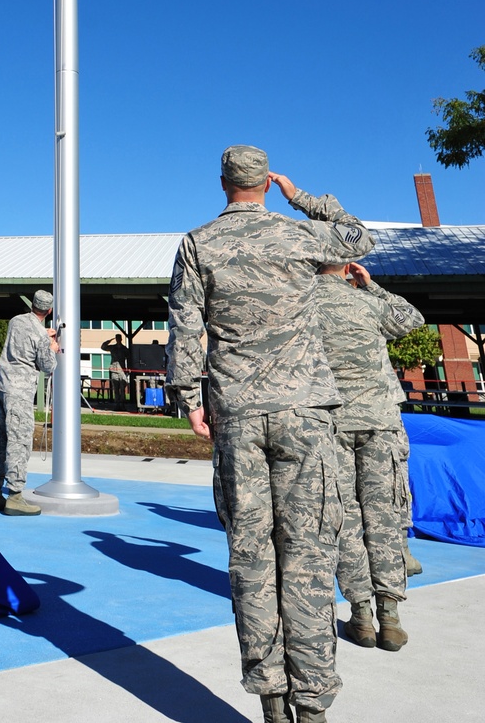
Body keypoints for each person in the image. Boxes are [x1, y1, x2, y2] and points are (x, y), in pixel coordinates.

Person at [167, 147, 375, 723]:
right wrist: (302, 196)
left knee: (251, 557)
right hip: (305, 410)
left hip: (236, 412)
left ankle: (272, 700)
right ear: (265, 183)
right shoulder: (299, 234)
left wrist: (190, 400)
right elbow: (360, 238)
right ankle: (312, 705)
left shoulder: (198, 243)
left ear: (223, 184)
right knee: (307, 557)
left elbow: (185, 327)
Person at [312, 254, 424, 652]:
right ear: (347, 267)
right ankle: (390, 618)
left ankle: (360, 615)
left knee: (346, 521)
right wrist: (370, 284)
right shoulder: (368, 301)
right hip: (380, 423)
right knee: (385, 519)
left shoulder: (304, 302)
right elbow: (411, 319)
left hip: (332, 424)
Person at [0, 289, 61, 515]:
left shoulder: (15, 321)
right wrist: (52, 348)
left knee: (0, 439)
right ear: (49, 310)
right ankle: (15, 496)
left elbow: (24, 337)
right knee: (19, 441)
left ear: (32, 306)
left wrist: (42, 335)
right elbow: (48, 365)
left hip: (1, 386)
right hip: (20, 393)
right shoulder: (40, 336)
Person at [101, 331, 129, 410]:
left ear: (121, 339)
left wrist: (128, 369)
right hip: (114, 369)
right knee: (116, 389)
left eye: (119, 338)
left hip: (122, 370)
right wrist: (109, 340)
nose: (118, 340)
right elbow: (103, 347)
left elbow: (129, 358)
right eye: (116, 338)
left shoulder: (124, 349)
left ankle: (122, 404)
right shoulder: (112, 347)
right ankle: (117, 405)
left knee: (122, 388)